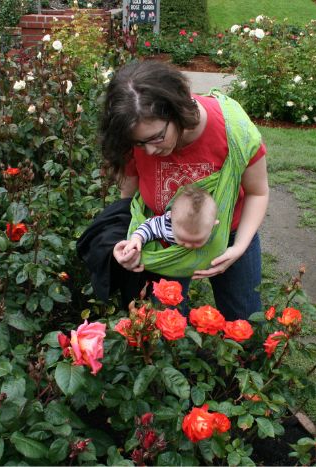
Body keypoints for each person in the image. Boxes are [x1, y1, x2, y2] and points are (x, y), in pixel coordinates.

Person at [98, 60, 269, 320]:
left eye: (157, 137)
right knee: (163, 324)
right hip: (164, 239)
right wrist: (128, 244)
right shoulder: (134, 136)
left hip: (232, 235)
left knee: (242, 318)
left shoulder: (233, 131)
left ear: (177, 110)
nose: (150, 151)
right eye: (139, 143)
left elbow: (258, 192)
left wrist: (239, 248)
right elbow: (127, 200)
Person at [121, 185, 220, 270]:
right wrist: (137, 238)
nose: (188, 245)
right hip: (171, 263)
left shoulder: (209, 227)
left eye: (197, 241)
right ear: (171, 219)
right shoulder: (166, 224)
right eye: (183, 240)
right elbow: (149, 227)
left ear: (213, 225)